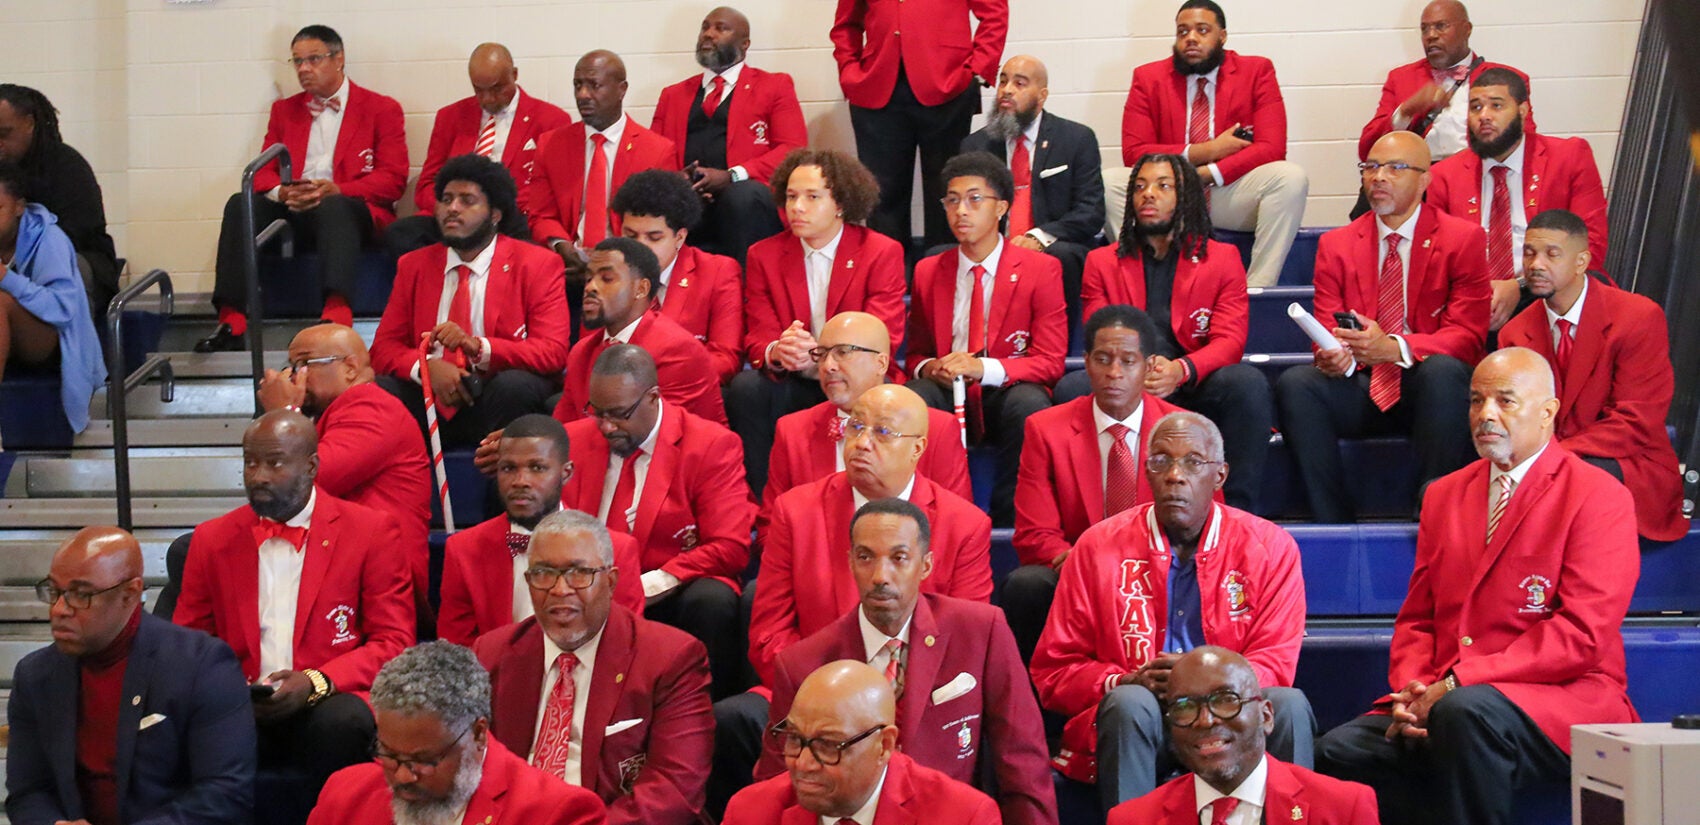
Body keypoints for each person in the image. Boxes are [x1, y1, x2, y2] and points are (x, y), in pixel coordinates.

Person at [1315, 348, 1642, 825]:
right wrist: (1415, 687)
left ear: (1548, 412)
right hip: (1452, 697)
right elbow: (1419, 617)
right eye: (1475, 401)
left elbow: (1581, 635)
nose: (1485, 414)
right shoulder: (1444, 494)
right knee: (1337, 753)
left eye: (1505, 401)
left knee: (1465, 715)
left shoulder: (1599, 496)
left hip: (1562, 697)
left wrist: (1458, 682)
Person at [1031, 412, 1311, 811]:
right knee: (1129, 703)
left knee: (1288, 705)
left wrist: (1204, 684)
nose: (1175, 475)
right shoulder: (1096, 547)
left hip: (1232, 717)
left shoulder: (1271, 547)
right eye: (1161, 461)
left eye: (1193, 462)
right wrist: (1125, 679)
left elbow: (1276, 663)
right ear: (1146, 472)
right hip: (1144, 718)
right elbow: (1054, 671)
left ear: (1220, 476)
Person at [759, 499, 1057, 825]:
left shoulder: (980, 632)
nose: (880, 576)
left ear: (926, 565)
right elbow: (779, 792)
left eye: (899, 558)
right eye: (865, 557)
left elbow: (1022, 759)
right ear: (850, 563)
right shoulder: (803, 664)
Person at [172, 411, 415, 794]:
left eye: (275, 462)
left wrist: (313, 682)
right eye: (250, 463)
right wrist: (234, 689)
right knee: (182, 724)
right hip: (243, 702)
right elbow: (189, 644)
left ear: (312, 466)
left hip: (327, 700)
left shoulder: (370, 531)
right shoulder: (211, 539)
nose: (259, 476)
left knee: (344, 722)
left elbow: (394, 643)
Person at [1274, 131, 1488, 523]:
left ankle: (1433, 511)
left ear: (1425, 180)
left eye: (1395, 167)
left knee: (1444, 373)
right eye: (1370, 167)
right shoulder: (1337, 244)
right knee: (1297, 384)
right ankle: (1332, 520)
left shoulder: (1463, 239)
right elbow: (1326, 323)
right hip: (1361, 383)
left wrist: (1395, 348)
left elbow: (1468, 336)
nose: (1379, 177)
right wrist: (1331, 355)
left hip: (1425, 385)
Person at [473, 510, 715, 825]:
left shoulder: (671, 658)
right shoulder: (492, 654)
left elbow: (673, 792)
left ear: (611, 581)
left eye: (579, 573)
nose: (560, 590)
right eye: (544, 573)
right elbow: (467, 767)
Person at [7, 527, 256, 825]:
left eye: (80, 594)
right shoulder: (36, 675)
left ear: (130, 594)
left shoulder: (203, 665)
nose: (59, 609)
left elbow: (224, 795)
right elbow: (27, 792)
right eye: (54, 591)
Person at [752, 384, 992, 687]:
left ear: (917, 449)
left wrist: (901, 698)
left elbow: (966, 641)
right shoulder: (796, 511)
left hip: (922, 700)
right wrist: (834, 694)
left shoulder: (964, 525)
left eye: (882, 433)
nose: (862, 443)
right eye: (855, 427)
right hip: (818, 696)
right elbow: (769, 634)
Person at [1074, 153, 1269, 512]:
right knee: (1071, 388)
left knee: (1246, 384)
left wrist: (1181, 370)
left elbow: (1230, 340)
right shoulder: (1102, 261)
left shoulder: (1222, 259)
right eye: (1141, 186)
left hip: (1193, 382)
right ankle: (1096, 510)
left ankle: (1238, 513)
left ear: (1187, 197)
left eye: (1164, 186)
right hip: (1130, 379)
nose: (1149, 194)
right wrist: (1138, 371)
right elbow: (1099, 333)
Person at [560, 345, 756, 699]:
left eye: (618, 414)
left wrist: (648, 584)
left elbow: (731, 547)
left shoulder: (710, 445)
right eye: (597, 412)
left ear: (653, 397)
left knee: (713, 598)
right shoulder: (573, 440)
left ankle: (705, 713)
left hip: (665, 588)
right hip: (585, 584)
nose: (605, 426)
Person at [197, 25, 407, 351]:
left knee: (335, 206)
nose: (303, 69)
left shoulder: (382, 108)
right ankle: (231, 320)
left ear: (339, 59)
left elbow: (393, 179)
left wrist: (338, 189)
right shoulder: (284, 110)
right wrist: (283, 192)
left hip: (347, 211)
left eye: (313, 59)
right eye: (297, 62)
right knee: (240, 203)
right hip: (295, 209)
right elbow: (263, 171)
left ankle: (336, 312)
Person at [1006, 306, 1189, 663]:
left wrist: (1136, 570)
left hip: (1160, 573)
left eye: (1127, 361)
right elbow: (1034, 536)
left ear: (1150, 366)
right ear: (1086, 362)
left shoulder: (1182, 430)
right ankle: (1038, 712)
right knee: (1026, 585)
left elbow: (1204, 524)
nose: (1114, 373)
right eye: (1103, 359)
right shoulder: (1046, 430)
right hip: (1077, 574)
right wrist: (1095, 567)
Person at [1497, 210, 1687, 540]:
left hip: (1628, 461)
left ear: (1582, 261)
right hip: (1547, 462)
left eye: (1552, 254)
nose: (1536, 264)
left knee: (1562, 485)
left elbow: (1635, 421)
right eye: (1529, 252)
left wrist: (1557, 456)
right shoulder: (1514, 333)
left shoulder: (1637, 317)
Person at [729, 148, 907, 494]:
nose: (797, 207)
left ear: (840, 203)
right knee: (746, 390)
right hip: (794, 378)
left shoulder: (880, 251)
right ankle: (766, 503)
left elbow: (883, 335)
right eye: (791, 196)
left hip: (858, 380)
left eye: (812, 197)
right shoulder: (763, 255)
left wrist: (823, 355)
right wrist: (777, 351)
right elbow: (757, 336)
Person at [905, 151, 1065, 526]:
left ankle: (1012, 517)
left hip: (1003, 387)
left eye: (975, 199)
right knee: (912, 399)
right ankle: (929, 512)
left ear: (1002, 208)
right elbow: (915, 356)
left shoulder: (1042, 269)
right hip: (949, 389)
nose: (962, 210)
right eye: (952, 200)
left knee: (1029, 404)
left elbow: (1051, 361)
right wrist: (934, 367)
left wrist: (983, 367)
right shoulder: (930, 270)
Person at [370, 154, 570, 447]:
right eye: (447, 199)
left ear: (495, 214)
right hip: (430, 395)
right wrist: (427, 368)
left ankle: (505, 485)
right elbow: (384, 349)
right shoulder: (413, 265)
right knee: (377, 389)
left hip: (492, 394)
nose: (452, 208)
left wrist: (478, 347)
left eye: (467, 200)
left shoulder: (538, 264)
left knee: (514, 386)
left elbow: (552, 352)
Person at [307, 641, 608, 825]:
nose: (402, 777)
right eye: (389, 754)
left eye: (423, 760)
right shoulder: (344, 796)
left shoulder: (558, 814)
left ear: (478, 735)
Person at [1117, 0, 1308, 287]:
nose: (1190, 38)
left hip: (1227, 191)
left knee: (1290, 178)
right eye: (1182, 31)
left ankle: (1256, 289)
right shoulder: (1148, 77)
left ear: (1222, 36)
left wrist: (1206, 173)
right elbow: (1134, 152)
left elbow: (1272, 146)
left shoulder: (1256, 71)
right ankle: (1147, 283)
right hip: (1170, 193)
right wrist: (1207, 151)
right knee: (1110, 184)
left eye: (1202, 30)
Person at [256, 323, 431, 627]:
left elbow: (299, 484)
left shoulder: (370, 406)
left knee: (199, 554)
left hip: (377, 573)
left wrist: (283, 412)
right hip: (337, 559)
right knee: (208, 552)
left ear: (350, 368)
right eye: (291, 366)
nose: (293, 377)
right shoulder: (337, 413)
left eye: (304, 364)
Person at [1425, 68, 1609, 331]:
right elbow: (1436, 258)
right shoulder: (1444, 175)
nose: (1484, 116)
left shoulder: (1568, 157)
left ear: (1522, 111)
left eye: (1496, 106)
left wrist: (1520, 286)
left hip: (1547, 293)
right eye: (1475, 107)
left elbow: (1591, 246)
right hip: (1476, 302)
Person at [1106, 648, 1379, 825]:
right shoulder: (1132, 820)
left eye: (1226, 700)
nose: (1206, 720)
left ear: (1267, 716)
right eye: (1185, 707)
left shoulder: (1344, 809)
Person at [437, 414, 644, 646]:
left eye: (537, 468)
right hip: (497, 679)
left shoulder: (618, 550)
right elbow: (456, 656)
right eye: (508, 468)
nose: (521, 481)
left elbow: (625, 648)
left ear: (565, 473)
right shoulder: (463, 551)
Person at [722, 660, 1001, 825]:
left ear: (884, 745)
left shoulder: (963, 817)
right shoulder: (750, 813)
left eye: (828, 745)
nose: (803, 763)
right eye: (795, 739)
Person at [830, 0, 1008, 250]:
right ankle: (890, 277)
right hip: (876, 86)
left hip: (948, 84)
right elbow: (846, 25)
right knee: (881, 195)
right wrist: (849, 70)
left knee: (947, 190)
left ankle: (942, 274)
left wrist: (977, 69)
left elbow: (994, 13)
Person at [762, 311, 970, 521]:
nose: (828, 366)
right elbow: (771, 525)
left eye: (843, 352)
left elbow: (957, 522)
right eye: (822, 354)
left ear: (881, 363)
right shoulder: (793, 430)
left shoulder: (937, 428)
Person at [527, 50, 678, 339]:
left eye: (594, 85)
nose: (583, 94)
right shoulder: (551, 144)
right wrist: (562, 246)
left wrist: (612, 260)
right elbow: (540, 214)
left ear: (622, 90)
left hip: (625, 268)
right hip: (568, 266)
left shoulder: (656, 150)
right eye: (577, 85)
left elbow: (659, 229)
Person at [961, 55, 1105, 343]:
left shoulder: (1076, 138)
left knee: (1064, 256)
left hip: (1052, 245)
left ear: (1042, 96)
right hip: (993, 246)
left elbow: (1090, 212)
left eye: (1019, 83)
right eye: (1003, 81)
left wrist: (1038, 237)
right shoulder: (976, 145)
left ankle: (1057, 346)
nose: (1006, 90)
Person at [384, 43, 573, 256]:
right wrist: (451, 206)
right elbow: (427, 184)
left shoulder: (550, 119)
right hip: (457, 216)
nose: (487, 99)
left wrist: (490, 208)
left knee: (529, 245)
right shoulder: (450, 117)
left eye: (496, 88)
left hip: (510, 218)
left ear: (514, 75)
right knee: (400, 234)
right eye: (479, 90)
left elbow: (551, 192)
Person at [649, 7, 805, 262]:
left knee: (741, 196)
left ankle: (748, 292)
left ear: (745, 44)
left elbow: (793, 150)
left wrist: (732, 176)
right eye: (705, 27)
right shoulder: (672, 95)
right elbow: (655, 153)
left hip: (745, 200)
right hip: (689, 198)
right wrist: (680, 181)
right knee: (660, 201)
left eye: (721, 28)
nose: (708, 34)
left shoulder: (775, 86)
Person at [552, 237, 728, 426]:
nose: (590, 287)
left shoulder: (677, 351)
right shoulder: (581, 352)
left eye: (607, 279)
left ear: (641, 289)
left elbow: (656, 435)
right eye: (588, 278)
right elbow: (564, 431)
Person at [0, 158, 105, 439]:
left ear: (19, 207)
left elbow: (62, 308)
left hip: (49, 340)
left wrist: (7, 279)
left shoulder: (49, 238)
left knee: (0, 303)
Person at [609, 169, 743, 383]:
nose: (639, 247)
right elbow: (592, 353)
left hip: (685, 393)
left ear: (679, 237)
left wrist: (658, 376)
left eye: (654, 238)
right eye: (630, 235)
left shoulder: (718, 272)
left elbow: (726, 360)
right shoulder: (610, 273)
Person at [1358, 1, 1531, 165]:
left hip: (1477, 176)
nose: (1431, 35)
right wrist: (1406, 111)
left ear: (1466, 29)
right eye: (1424, 29)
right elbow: (1368, 149)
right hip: (1420, 179)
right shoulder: (1401, 78)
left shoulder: (1506, 79)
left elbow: (1527, 143)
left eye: (1441, 26)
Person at [0, 84, 119, 311]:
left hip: (76, 262)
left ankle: (70, 343)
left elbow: (73, 235)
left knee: (67, 266)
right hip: (12, 261)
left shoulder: (67, 166)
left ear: (29, 124)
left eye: (4, 134)